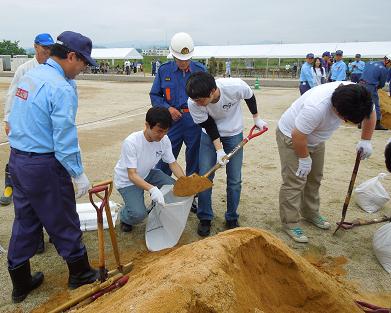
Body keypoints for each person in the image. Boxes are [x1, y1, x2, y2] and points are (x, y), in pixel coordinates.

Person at [6, 31, 100, 303]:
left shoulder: (31, 76)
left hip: (18, 161)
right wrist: (77, 172)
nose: (83, 69)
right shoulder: (60, 87)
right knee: (62, 216)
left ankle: (20, 281)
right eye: (83, 63)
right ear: (71, 56)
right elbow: (64, 137)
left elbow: (12, 114)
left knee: (26, 220)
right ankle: (80, 273)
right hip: (43, 165)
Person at [276, 82, 375, 243]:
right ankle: (290, 222)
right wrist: (304, 158)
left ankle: (310, 212)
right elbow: (298, 135)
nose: (344, 122)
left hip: (317, 139)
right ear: (335, 107)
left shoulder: (361, 98)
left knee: (315, 177)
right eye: (344, 119)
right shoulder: (316, 107)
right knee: (295, 181)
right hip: (292, 136)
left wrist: (366, 140)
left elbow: (370, 115)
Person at [186, 72, 268, 236]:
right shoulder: (193, 102)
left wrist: (256, 118)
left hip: (234, 133)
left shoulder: (235, 86)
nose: (197, 104)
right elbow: (209, 125)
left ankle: (231, 217)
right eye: (195, 100)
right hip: (208, 136)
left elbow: (250, 96)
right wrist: (219, 150)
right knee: (205, 177)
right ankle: (205, 217)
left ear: (212, 91)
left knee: (234, 179)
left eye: (201, 100)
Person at [2, 33, 55, 254]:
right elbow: (12, 95)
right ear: (35, 47)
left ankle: (53, 232)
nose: (47, 52)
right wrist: (8, 119)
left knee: (49, 192)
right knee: (31, 194)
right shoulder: (25, 69)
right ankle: (36, 239)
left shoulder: (54, 69)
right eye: (44, 48)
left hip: (45, 135)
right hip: (26, 134)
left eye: (50, 49)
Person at [114, 107, 186, 232]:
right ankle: (125, 215)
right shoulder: (132, 142)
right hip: (128, 181)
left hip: (147, 173)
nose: (162, 135)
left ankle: (156, 209)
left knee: (173, 188)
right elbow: (132, 175)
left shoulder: (164, 140)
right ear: (147, 125)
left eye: (165, 131)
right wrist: (152, 189)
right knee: (139, 214)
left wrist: (185, 181)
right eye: (159, 131)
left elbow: (173, 164)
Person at [150, 32, 206, 177]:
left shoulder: (200, 70)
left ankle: (193, 195)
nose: (183, 63)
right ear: (173, 56)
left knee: (195, 158)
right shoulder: (164, 70)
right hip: (171, 122)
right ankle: (160, 192)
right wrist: (168, 109)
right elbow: (155, 95)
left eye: (187, 59)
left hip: (195, 121)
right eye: (180, 59)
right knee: (165, 157)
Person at [359, 53, 391, 130]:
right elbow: (382, 84)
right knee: (375, 104)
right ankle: (377, 123)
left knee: (362, 103)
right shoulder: (383, 69)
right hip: (370, 86)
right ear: (388, 61)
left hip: (360, 84)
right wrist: (377, 87)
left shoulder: (369, 63)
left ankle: (361, 123)